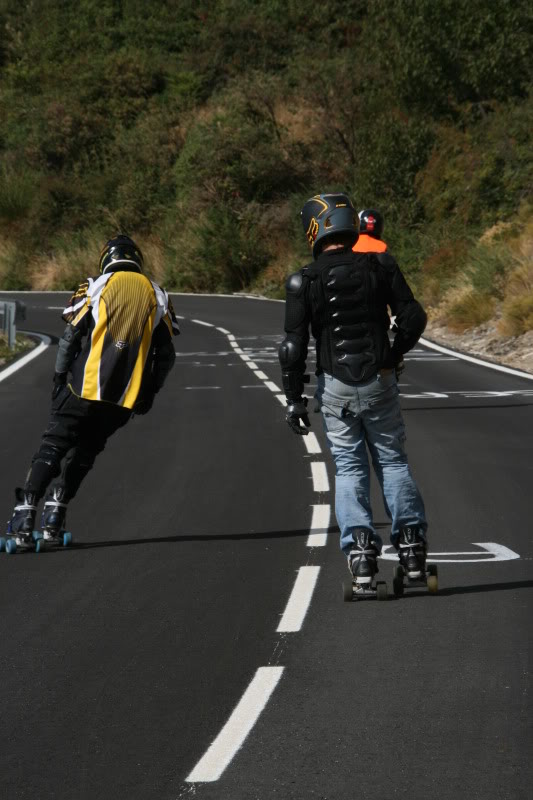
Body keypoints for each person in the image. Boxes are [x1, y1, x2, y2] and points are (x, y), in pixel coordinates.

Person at [278, 193, 428, 586]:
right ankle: (411, 548)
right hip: (380, 379)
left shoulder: (304, 280)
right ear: (350, 224)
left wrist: (294, 400)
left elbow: (292, 347)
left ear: (315, 228)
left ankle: (361, 554)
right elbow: (413, 315)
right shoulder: (379, 264)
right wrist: (394, 354)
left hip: (336, 387)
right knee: (393, 462)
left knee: (348, 468)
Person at [6, 234, 179, 547]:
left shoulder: (95, 285)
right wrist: (148, 392)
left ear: (106, 259)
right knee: (86, 452)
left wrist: (59, 376)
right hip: (123, 398)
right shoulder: (159, 294)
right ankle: (55, 515)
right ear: (137, 260)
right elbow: (167, 356)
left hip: (82, 387)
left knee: (54, 443)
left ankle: (24, 513)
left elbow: (71, 335)